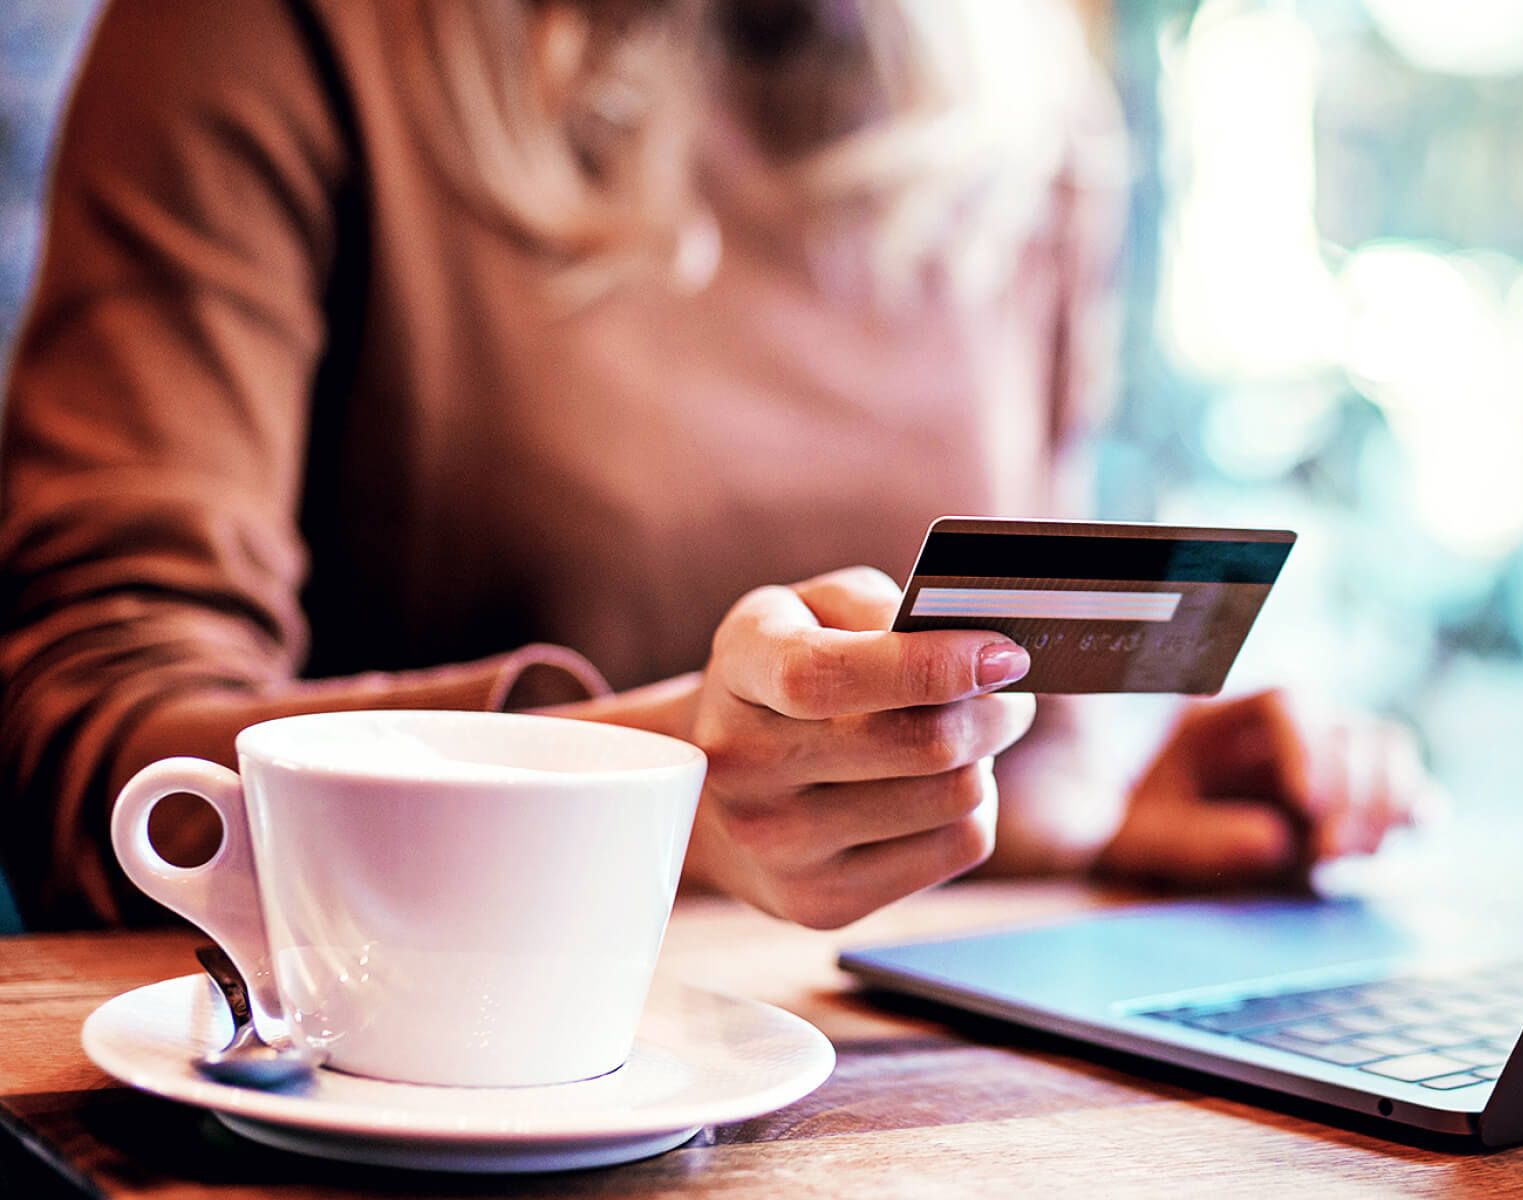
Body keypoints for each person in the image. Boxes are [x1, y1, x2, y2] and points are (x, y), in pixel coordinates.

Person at [0, 0, 1437, 930]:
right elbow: (87, 753)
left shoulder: (1031, 95)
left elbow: (984, 719)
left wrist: (1101, 815)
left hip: (874, 1097)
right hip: (425, 1084)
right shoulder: (268, 35)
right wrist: (664, 784)